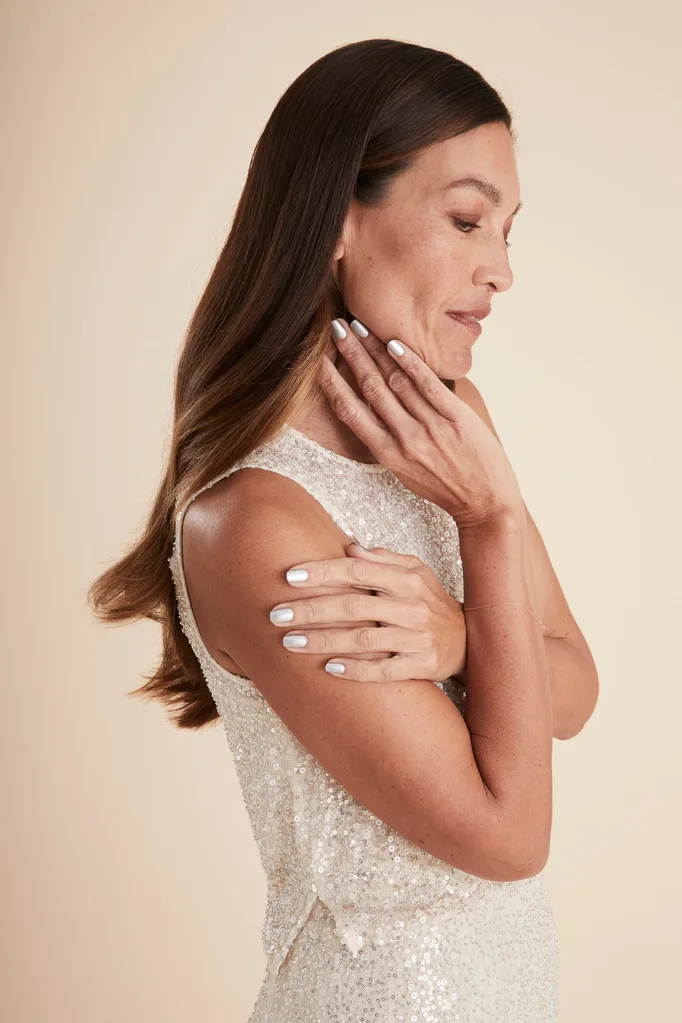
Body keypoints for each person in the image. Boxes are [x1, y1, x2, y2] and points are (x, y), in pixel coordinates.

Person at [89, 38, 599, 1022]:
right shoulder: (255, 522)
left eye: (507, 230)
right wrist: (488, 528)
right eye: (464, 219)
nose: (498, 269)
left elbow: (572, 689)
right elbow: (507, 836)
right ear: (333, 220)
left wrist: (454, 631)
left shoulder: (457, 426)